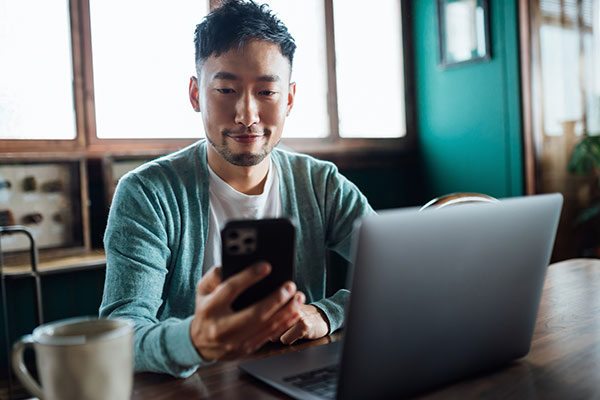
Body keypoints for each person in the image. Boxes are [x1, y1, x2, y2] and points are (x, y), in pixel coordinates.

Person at [99, 0, 374, 378]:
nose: (247, 115)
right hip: (192, 386)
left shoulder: (321, 184)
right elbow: (121, 334)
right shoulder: (147, 194)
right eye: (226, 90)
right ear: (196, 95)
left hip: (298, 376)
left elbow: (400, 276)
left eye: (267, 92)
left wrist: (329, 312)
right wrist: (195, 340)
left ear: (290, 98)